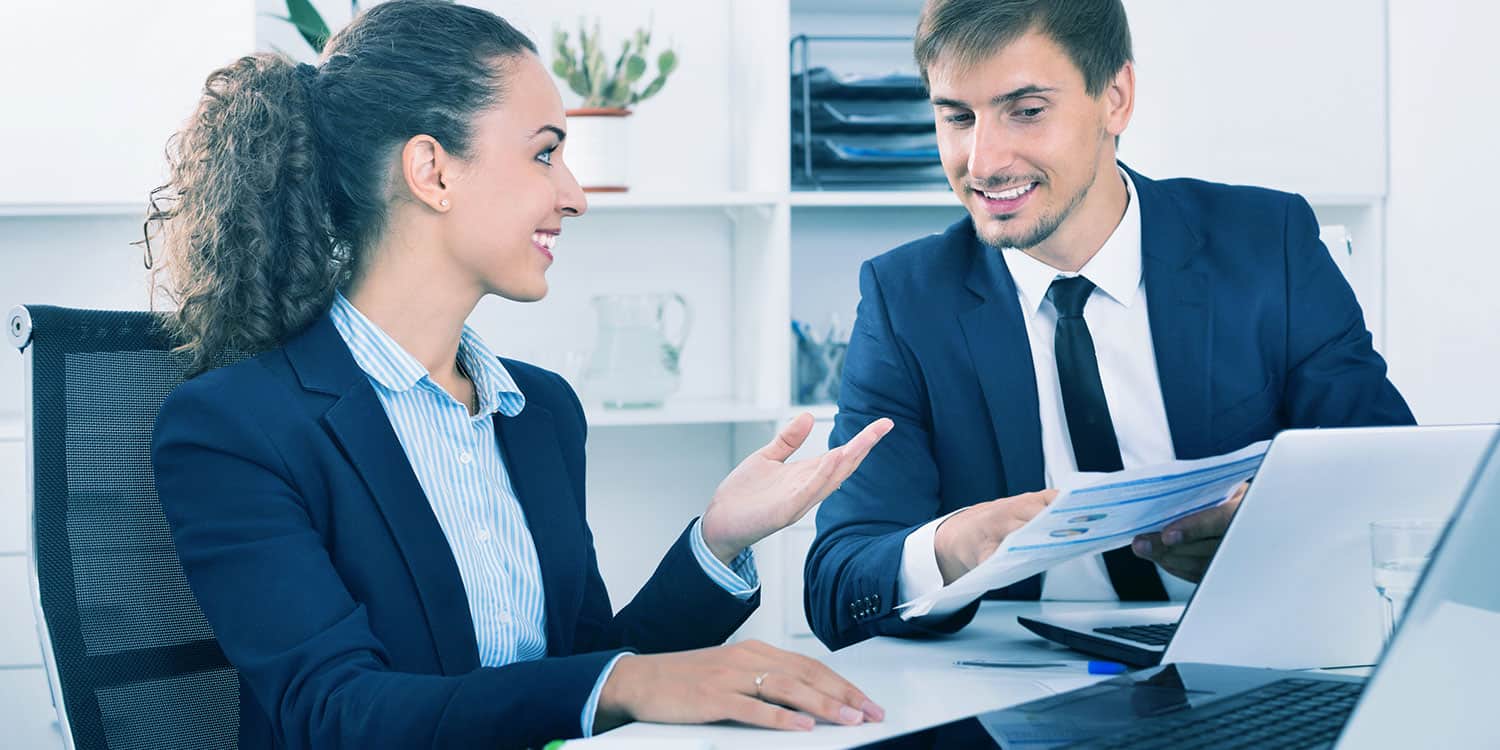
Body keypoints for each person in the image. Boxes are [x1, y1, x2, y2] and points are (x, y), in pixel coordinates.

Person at [145, 2, 893, 747]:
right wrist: (627, 684)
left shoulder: (541, 411)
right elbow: (339, 713)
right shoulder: (234, 428)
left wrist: (718, 541)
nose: (574, 195)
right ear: (432, 170)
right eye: (545, 153)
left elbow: (580, 671)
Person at [803, 0, 1414, 651]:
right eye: (957, 117)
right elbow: (837, 582)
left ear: (1115, 99)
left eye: (1027, 111)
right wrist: (952, 548)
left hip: (1251, 658)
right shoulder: (906, 300)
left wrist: (1275, 534)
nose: (981, 161)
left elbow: (1396, 487)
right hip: (1009, 689)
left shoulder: (1269, 245)